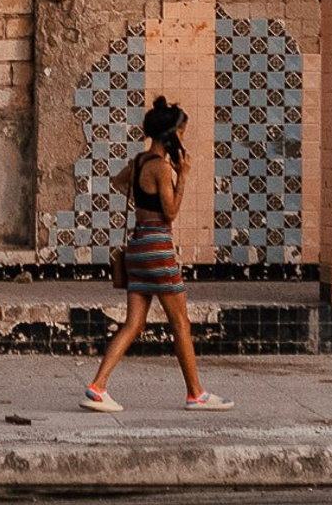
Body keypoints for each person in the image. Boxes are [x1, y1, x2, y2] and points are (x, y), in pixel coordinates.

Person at [82, 97, 231, 412]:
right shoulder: (162, 168)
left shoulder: (138, 162)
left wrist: (142, 198)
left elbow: (119, 182)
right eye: (182, 133)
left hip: (136, 248)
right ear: (172, 135)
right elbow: (171, 212)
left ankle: (98, 387)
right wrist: (183, 177)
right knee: (180, 322)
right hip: (158, 249)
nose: (183, 139)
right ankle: (196, 394)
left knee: (133, 323)